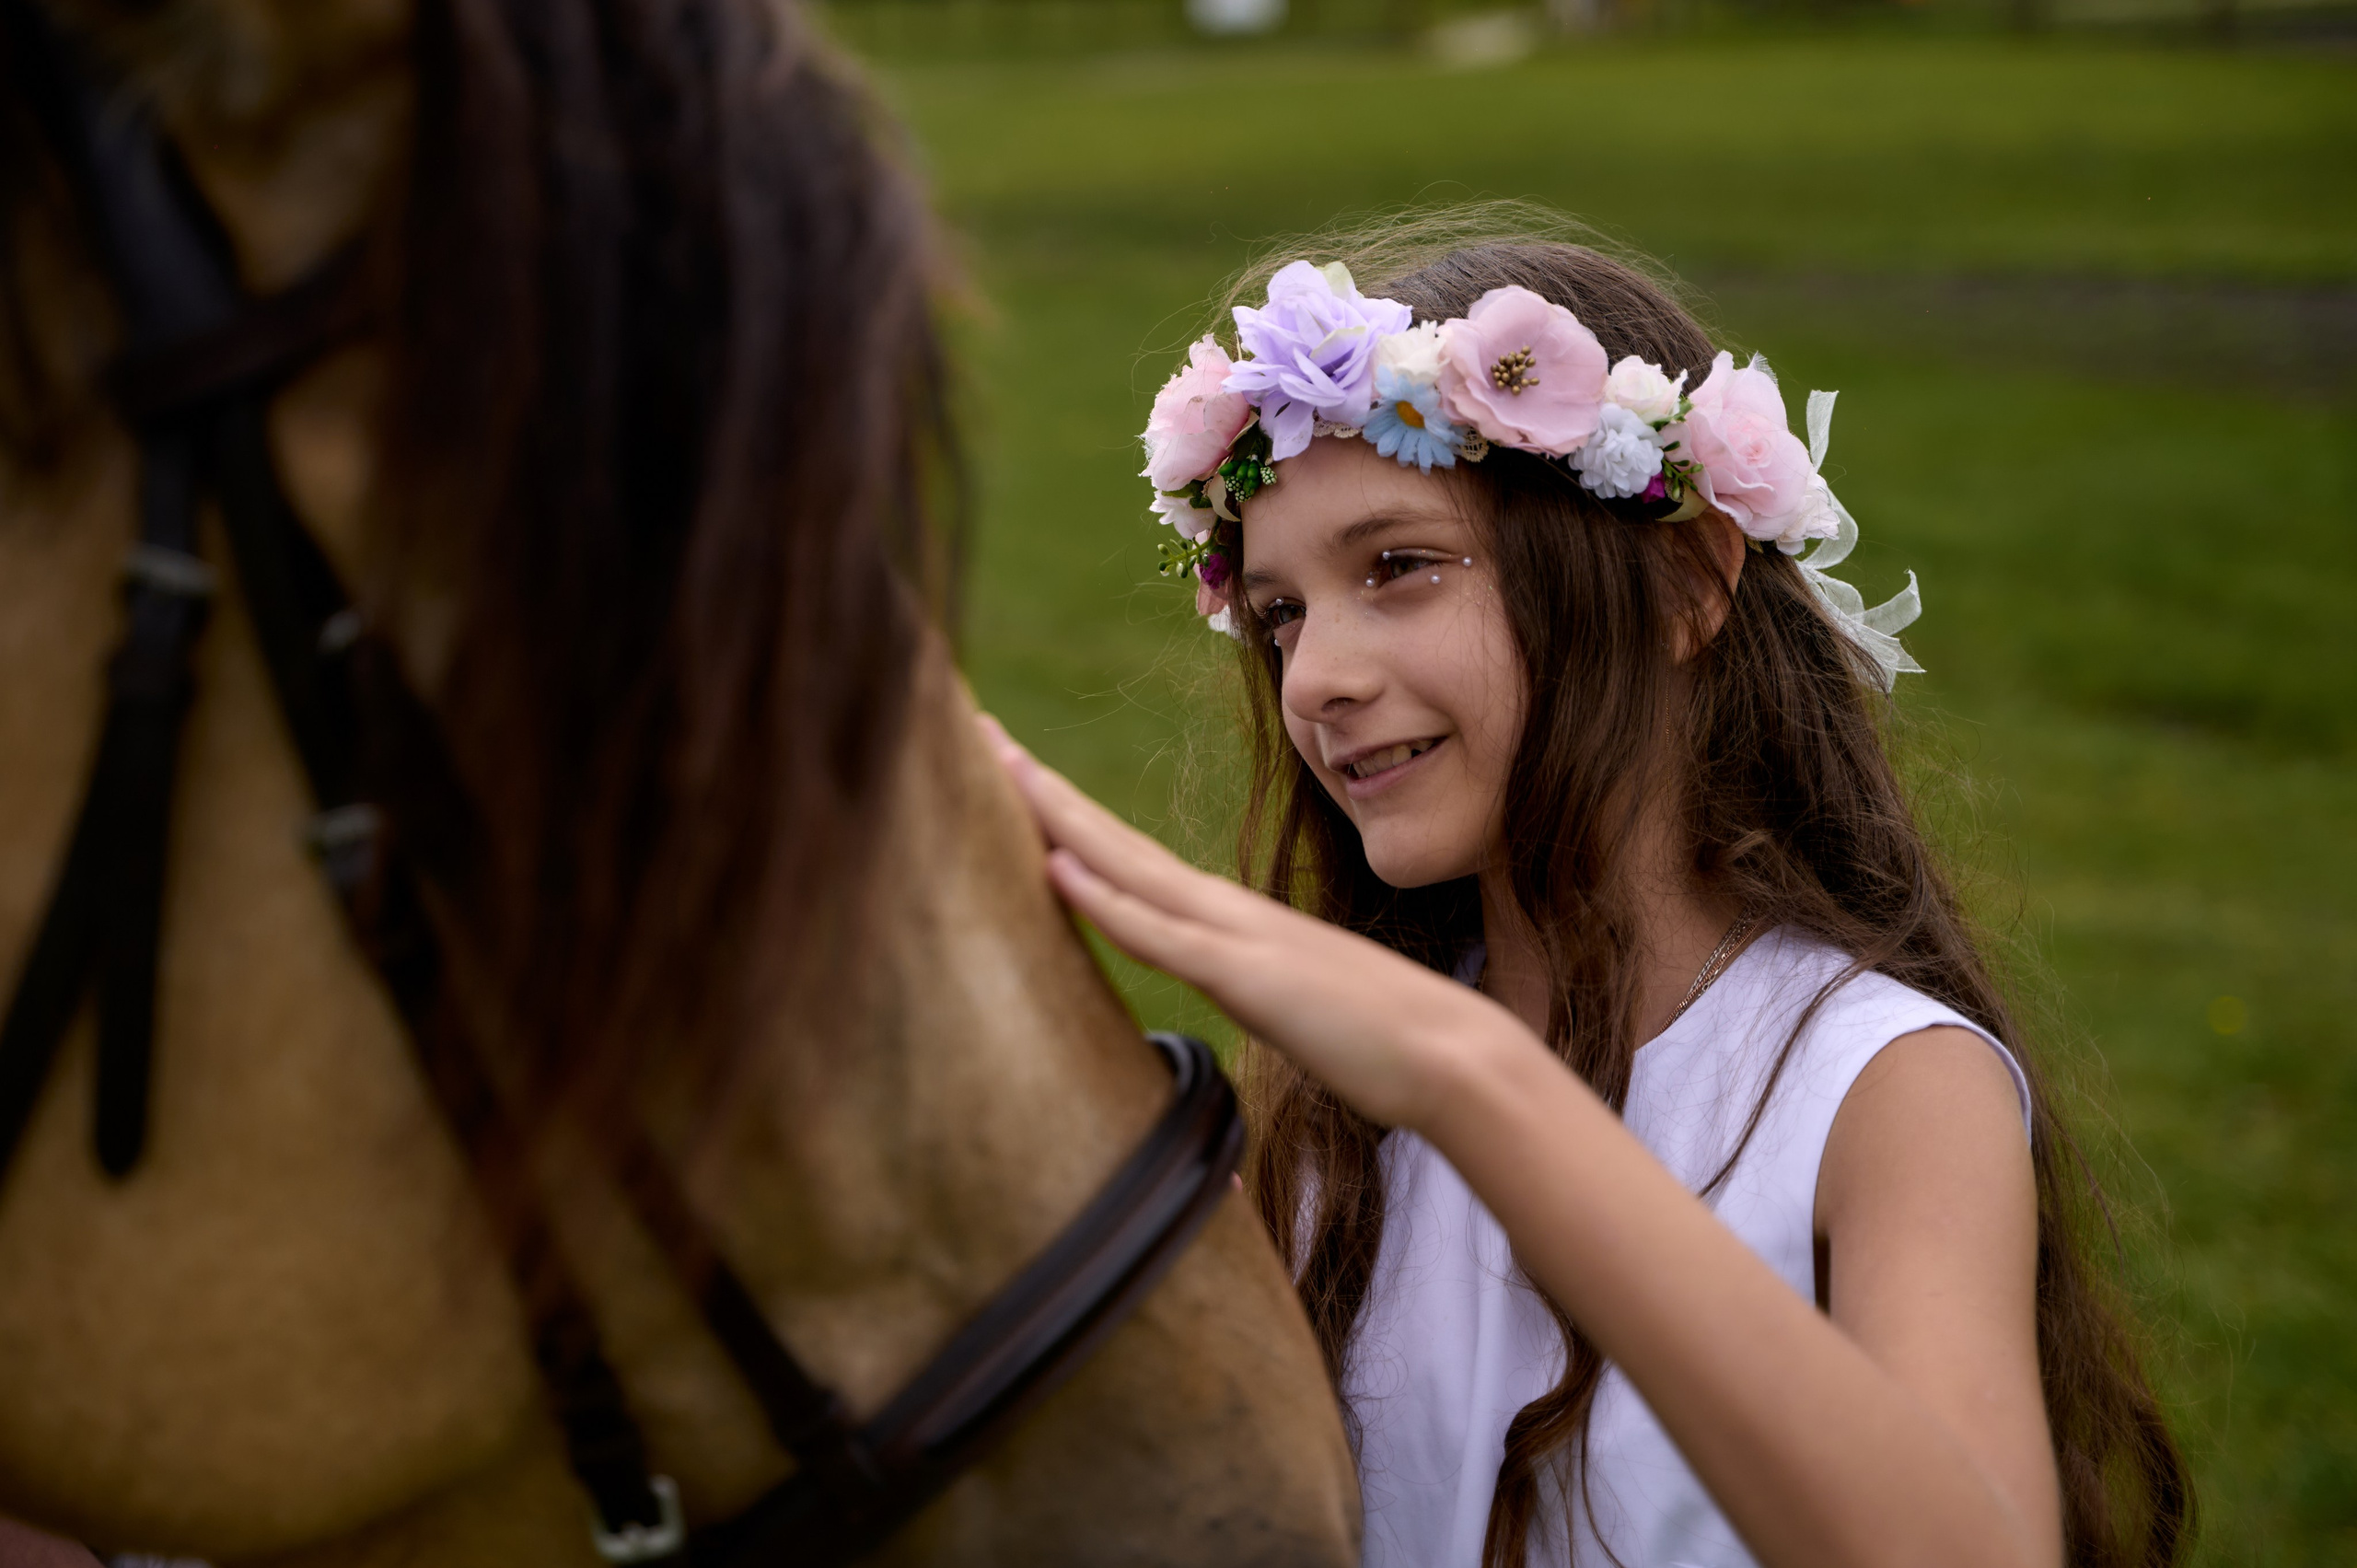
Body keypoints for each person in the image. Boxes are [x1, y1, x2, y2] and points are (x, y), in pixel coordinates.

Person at [980, 226, 2189, 1568]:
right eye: (1279, 615)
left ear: (1681, 584)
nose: (1313, 676)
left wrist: (1473, 1081)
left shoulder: (1880, 1088)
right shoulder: (1336, 1130)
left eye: (1397, 567)